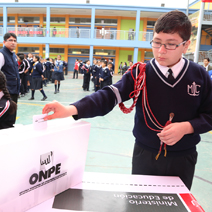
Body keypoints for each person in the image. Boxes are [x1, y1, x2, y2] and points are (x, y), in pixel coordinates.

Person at [42, 10, 212, 190]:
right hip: (144, 155)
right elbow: (109, 95)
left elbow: (209, 114)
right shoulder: (140, 72)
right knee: (139, 203)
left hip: (183, 157)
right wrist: (71, 109)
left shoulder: (198, 75)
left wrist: (187, 127)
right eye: (156, 42)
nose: (161, 51)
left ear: (186, 46)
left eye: (170, 44)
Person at [0, 32, 20, 125]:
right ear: (4, 42)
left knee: (12, 118)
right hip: (5, 93)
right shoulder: (1, 55)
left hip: (14, 91)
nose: (13, 42)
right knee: (6, 120)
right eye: (10, 40)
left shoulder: (13, 55)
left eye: (15, 41)